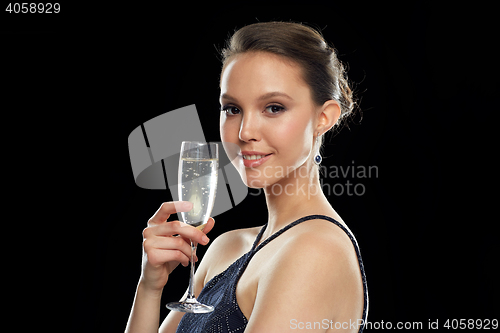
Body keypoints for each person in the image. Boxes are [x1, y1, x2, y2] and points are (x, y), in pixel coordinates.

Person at [126, 21, 368, 333]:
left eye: (274, 107)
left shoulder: (316, 251)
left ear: (324, 117)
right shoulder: (227, 247)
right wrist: (150, 287)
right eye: (232, 109)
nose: (245, 132)